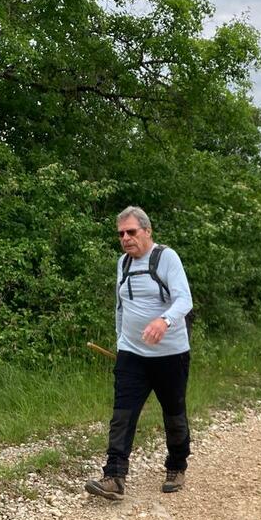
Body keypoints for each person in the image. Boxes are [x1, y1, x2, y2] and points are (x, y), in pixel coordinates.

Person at [85, 206, 193, 501]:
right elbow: (120, 305)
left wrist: (163, 321)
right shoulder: (123, 263)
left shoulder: (166, 258)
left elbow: (184, 300)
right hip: (132, 353)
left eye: (131, 232)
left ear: (147, 231)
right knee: (122, 414)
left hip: (170, 354)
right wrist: (121, 341)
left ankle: (177, 465)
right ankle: (114, 476)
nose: (125, 238)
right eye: (121, 234)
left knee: (173, 412)